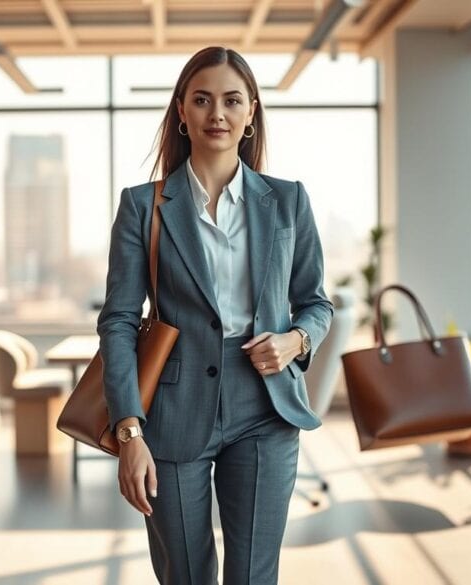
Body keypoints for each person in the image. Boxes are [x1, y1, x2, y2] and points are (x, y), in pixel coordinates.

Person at [97, 46, 333, 585]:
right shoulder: (142, 205)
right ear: (181, 110)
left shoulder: (288, 201)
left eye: (231, 100)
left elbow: (316, 302)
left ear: (251, 111)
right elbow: (118, 321)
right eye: (202, 100)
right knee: (185, 574)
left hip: (265, 406)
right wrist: (129, 433)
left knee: (252, 576)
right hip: (172, 411)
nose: (217, 114)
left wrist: (295, 340)